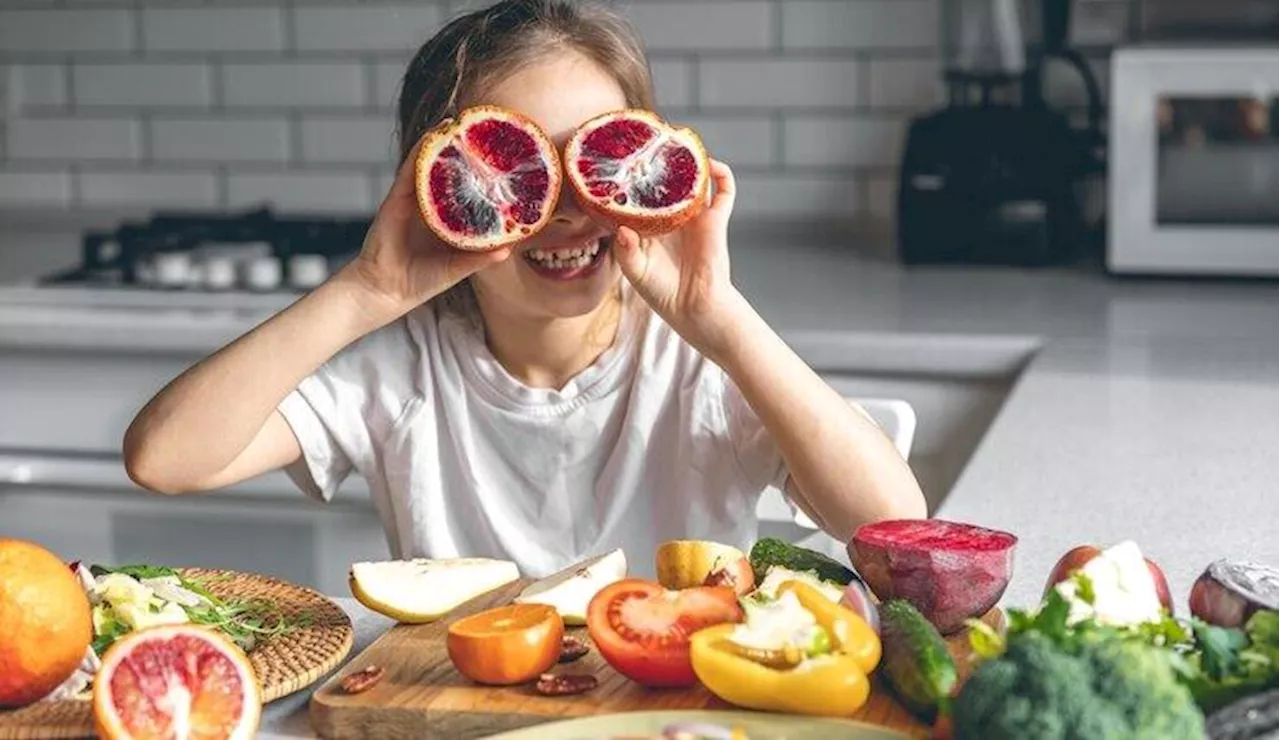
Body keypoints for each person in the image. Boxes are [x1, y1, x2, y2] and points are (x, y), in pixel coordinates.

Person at [122, 0, 926, 578]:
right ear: (442, 189)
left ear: (644, 173)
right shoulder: (401, 374)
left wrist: (720, 319)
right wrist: (366, 289)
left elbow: (897, 529)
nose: (569, 213)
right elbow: (164, 459)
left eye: (597, 164)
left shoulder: (698, 366)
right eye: (521, 172)